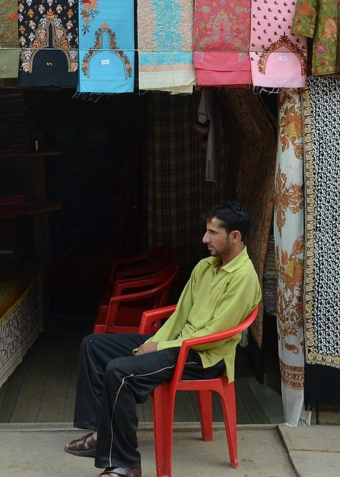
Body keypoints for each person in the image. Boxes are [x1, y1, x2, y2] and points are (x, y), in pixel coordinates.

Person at [65, 201, 262, 477]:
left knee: (119, 372)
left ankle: (127, 464)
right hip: (178, 344)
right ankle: (102, 433)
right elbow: (180, 316)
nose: (205, 239)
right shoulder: (205, 266)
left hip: (202, 357)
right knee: (93, 345)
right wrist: (153, 343)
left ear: (235, 236)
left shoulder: (244, 278)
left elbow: (210, 337)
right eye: (206, 231)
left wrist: (161, 347)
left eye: (212, 233)